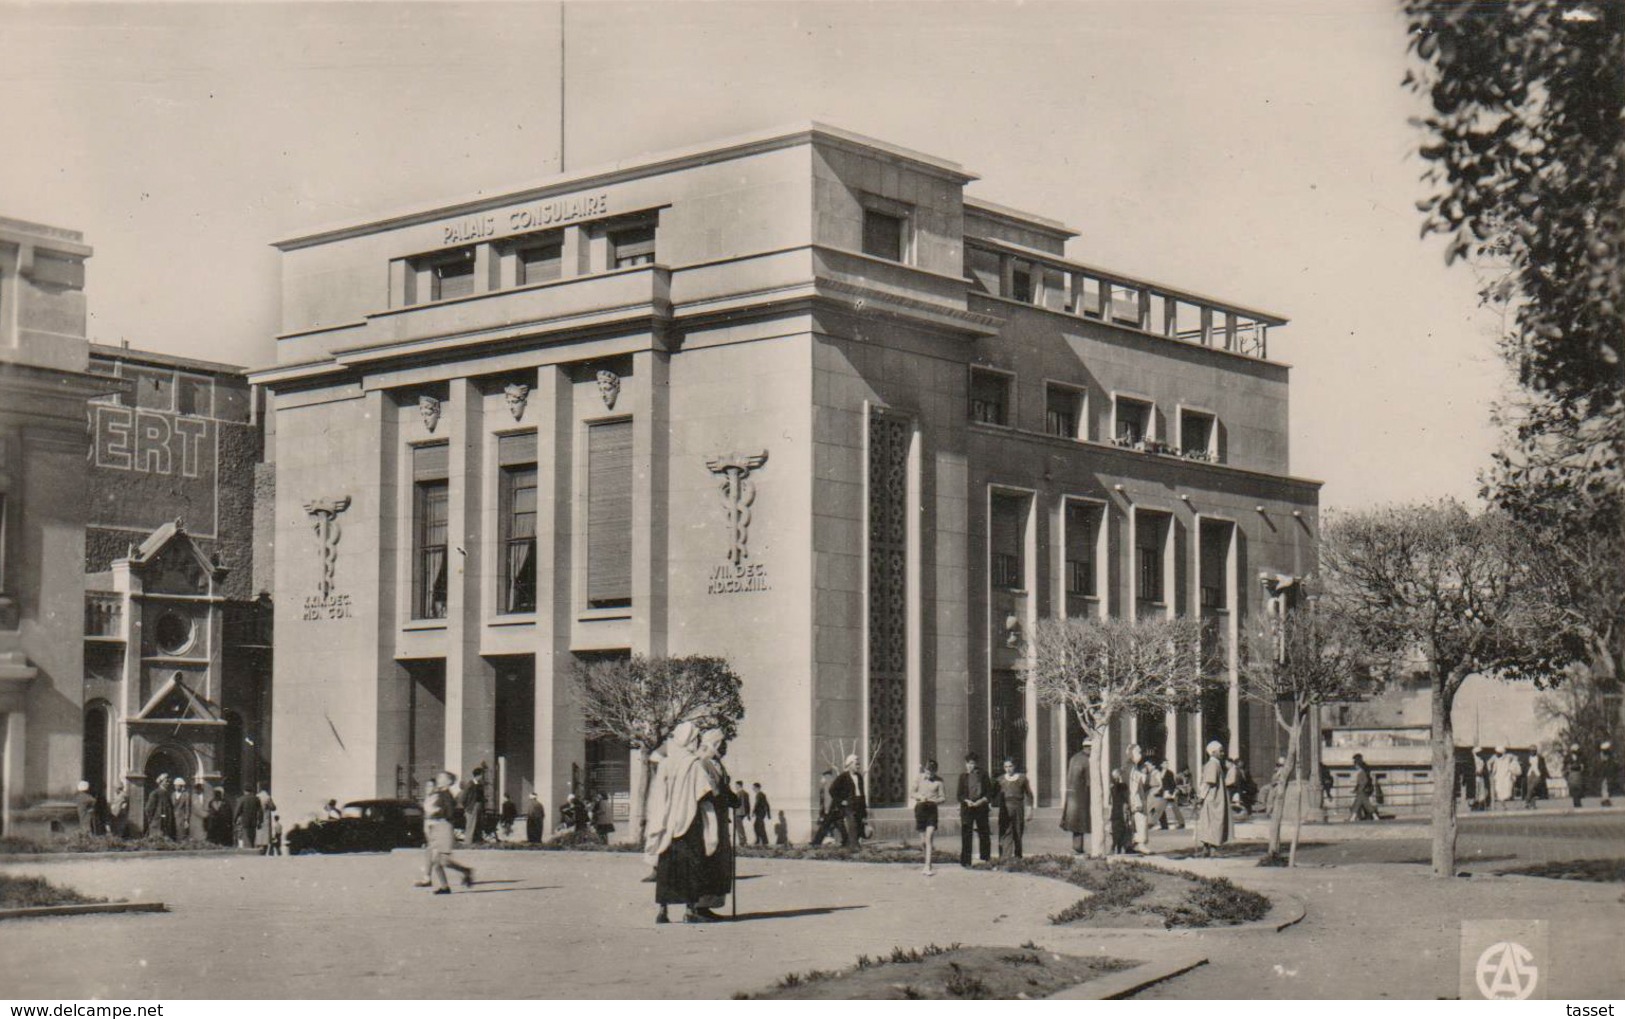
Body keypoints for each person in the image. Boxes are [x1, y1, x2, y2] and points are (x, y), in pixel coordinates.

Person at [644, 722, 719, 924]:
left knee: (667, 865)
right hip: (690, 820)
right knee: (693, 864)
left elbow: (658, 792)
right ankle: (690, 910)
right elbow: (703, 794)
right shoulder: (693, 764)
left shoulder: (667, 763)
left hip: (667, 821)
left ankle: (663, 911)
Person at [423, 771, 474, 894]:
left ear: (449, 781)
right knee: (437, 862)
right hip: (436, 828)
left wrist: (436, 812)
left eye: (442, 777)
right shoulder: (439, 793)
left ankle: (465, 872)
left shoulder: (447, 795)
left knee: (442, 862)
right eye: (439, 777)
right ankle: (446, 887)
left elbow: (450, 813)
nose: (439, 779)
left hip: (444, 828)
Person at [1194, 740, 1237, 857]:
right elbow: (1208, 783)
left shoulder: (1216, 764)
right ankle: (1211, 849)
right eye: (1220, 751)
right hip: (1213, 799)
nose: (1223, 753)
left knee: (1210, 823)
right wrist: (1201, 798)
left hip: (1214, 798)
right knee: (1213, 823)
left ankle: (1208, 849)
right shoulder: (1213, 764)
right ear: (1213, 752)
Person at [994, 757, 1035, 860]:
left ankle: (1017, 857)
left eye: (1010, 766)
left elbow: (1029, 795)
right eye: (1006, 767)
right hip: (1005, 809)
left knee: (1017, 831)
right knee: (1005, 832)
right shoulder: (1000, 780)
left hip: (1018, 808)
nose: (1008, 769)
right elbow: (992, 793)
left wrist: (1029, 810)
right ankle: (1004, 857)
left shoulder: (1022, 778)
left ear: (1014, 766)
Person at [957, 752, 992, 867]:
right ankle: (966, 861)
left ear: (976, 764)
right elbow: (959, 795)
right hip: (967, 808)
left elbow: (988, 792)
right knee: (966, 833)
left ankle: (985, 859)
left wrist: (980, 801)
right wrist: (967, 801)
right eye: (968, 763)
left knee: (983, 832)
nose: (970, 766)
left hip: (980, 807)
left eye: (972, 763)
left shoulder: (983, 775)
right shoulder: (963, 776)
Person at [912, 759, 945, 875]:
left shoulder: (939, 781)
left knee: (929, 837)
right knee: (923, 841)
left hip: (932, 810)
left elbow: (943, 797)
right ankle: (927, 862)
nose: (929, 774)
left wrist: (934, 800)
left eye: (931, 772)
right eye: (927, 772)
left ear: (935, 771)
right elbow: (912, 793)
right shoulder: (919, 778)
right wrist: (919, 796)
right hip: (920, 809)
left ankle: (927, 866)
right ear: (924, 770)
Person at [828, 755, 868, 849]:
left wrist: (864, 809)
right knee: (852, 824)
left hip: (859, 804)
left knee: (858, 824)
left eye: (859, 764)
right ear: (849, 765)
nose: (858, 766)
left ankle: (852, 844)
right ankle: (854, 847)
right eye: (856, 764)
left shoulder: (859, 776)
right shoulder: (843, 776)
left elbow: (862, 793)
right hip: (849, 805)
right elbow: (832, 790)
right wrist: (841, 801)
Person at [1060, 742, 1092, 854]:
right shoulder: (1087, 760)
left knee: (1076, 822)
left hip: (1072, 795)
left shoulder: (1074, 758)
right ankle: (1078, 847)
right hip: (1082, 795)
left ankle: (1077, 846)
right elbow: (1089, 781)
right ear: (1090, 748)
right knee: (1081, 822)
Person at [1126, 746, 1151, 853]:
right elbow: (1134, 786)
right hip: (1136, 799)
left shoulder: (1131, 767)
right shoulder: (1132, 768)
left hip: (1133, 798)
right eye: (1139, 752)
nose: (1141, 754)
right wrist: (1145, 772)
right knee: (1140, 821)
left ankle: (1130, 844)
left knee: (1133, 823)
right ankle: (1141, 844)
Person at [809, 769, 841, 846]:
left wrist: (826, 809)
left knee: (826, 826)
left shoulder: (828, 784)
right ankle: (816, 841)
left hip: (830, 810)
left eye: (822, 777)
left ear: (826, 776)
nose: (821, 780)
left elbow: (828, 798)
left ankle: (816, 842)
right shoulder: (830, 783)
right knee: (834, 825)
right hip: (832, 809)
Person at [460, 767, 487, 844]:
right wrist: (467, 807)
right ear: (478, 775)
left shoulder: (479, 784)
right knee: (470, 825)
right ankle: (468, 842)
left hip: (478, 807)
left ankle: (476, 841)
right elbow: (463, 797)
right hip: (471, 807)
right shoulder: (470, 784)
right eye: (482, 775)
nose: (482, 777)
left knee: (477, 825)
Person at [1489, 746, 1521, 810]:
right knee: (1498, 791)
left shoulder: (1508, 756)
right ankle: (1503, 805)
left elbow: (1516, 757)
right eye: (1496, 752)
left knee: (1507, 792)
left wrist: (1513, 765)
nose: (1497, 754)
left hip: (1506, 777)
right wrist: (1490, 770)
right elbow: (1489, 762)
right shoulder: (1494, 757)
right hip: (1498, 777)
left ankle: (1505, 805)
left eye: (1498, 752)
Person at [1157, 761, 1185, 830]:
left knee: (1175, 808)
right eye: (1164, 763)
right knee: (1160, 809)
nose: (1166, 765)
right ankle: (1164, 825)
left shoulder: (1170, 773)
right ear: (1161, 765)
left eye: (1167, 763)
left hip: (1169, 793)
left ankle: (1181, 823)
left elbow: (1173, 784)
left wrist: (1171, 792)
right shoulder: (1159, 772)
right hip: (1162, 793)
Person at [1108, 767, 1130, 854]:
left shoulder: (1114, 786)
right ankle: (1114, 847)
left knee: (1119, 830)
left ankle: (1118, 848)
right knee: (1118, 830)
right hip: (1119, 811)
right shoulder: (1118, 786)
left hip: (1118, 810)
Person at [1349, 754, 1377, 821]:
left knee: (1359, 803)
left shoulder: (1362, 772)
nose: (1354, 766)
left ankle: (1353, 817)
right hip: (1363, 790)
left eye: (1355, 764)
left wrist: (1359, 789)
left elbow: (1364, 781)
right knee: (1364, 803)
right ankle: (1374, 816)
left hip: (1363, 790)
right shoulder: (1364, 770)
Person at [1562, 743, 1585, 808]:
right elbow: (1565, 766)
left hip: (1578, 774)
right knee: (1573, 788)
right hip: (1571, 774)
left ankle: (1577, 802)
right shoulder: (1567, 757)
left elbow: (1583, 766)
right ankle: (1576, 801)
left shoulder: (1581, 757)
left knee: (1578, 788)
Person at [255, 786, 276, 851]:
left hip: (257, 818)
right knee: (265, 836)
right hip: (265, 818)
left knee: (258, 834)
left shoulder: (256, 796)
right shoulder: (267, 797)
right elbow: (273, 808)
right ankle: (263, 849)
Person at [731, 780, 750, 845]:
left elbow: (737, 803)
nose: (735, 787)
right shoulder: (746, 793)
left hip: (738, 812)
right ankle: (743, 840)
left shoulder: (738, 793)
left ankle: (742, 841)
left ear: (739, 785)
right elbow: (748, 804)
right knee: (740, 826)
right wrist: (748, 813)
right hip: (744, 813)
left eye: (736, 785)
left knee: (739, 827)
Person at [1600, 741, 1615, 807]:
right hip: (1606, 773)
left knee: (1605, 786)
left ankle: (1605, 799)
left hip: (1606, 773)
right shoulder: (1609, 757)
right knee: (1605, 785)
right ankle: (1605, 799)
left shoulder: (1605, 757)